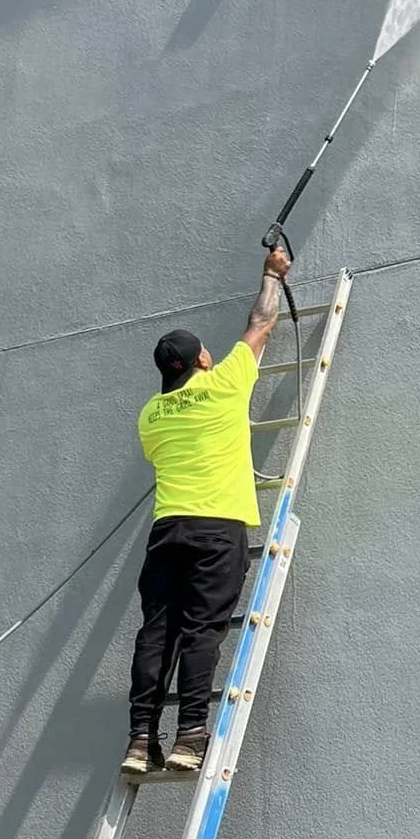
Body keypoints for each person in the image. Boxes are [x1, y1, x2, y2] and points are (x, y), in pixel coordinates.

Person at [122, 245, 293, 778]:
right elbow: (261, 323)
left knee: (157, 633)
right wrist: (272, 272)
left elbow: (160, 444)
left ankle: (138, 741)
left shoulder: (151, 414)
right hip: (217, 531)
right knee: (202, 632)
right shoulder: (223, 385)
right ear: (201, 358)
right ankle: (190, 737)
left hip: (167, 531)